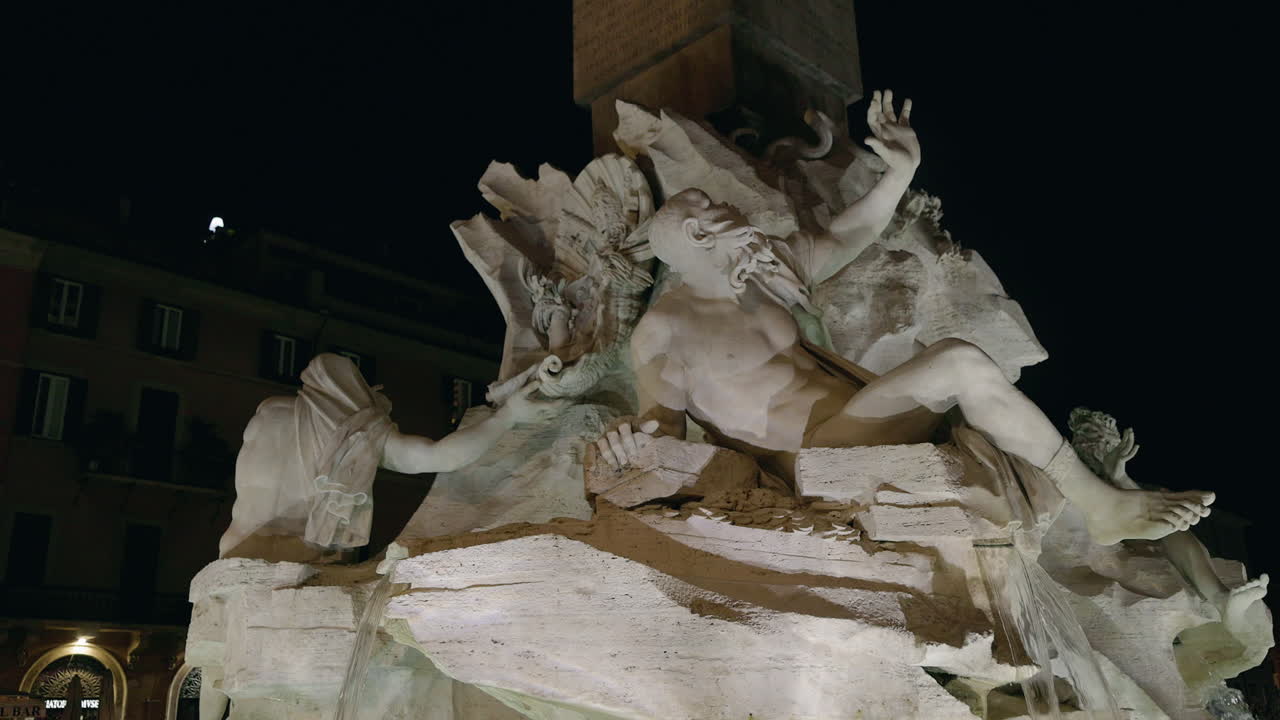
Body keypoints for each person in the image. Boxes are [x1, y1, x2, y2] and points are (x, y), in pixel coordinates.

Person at [598, 90, 1213, 546]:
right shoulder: (666, 331)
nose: (729, 203)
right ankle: (1100, 505)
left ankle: (1096, 498)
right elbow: (660, 431)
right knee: (960, 362)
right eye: (712, 204)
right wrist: (629, 445)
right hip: (817, 460)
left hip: (863, 416)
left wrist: (902, 172)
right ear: (699, 234)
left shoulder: (765, 269)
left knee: (966, 370)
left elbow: (850, 232)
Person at [220, 352, 566, 561]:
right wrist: (508, 417)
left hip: (232, 550)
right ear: (354, 394)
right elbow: (439, 457)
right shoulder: (353, 428)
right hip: (292, 556)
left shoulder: (268, 413)